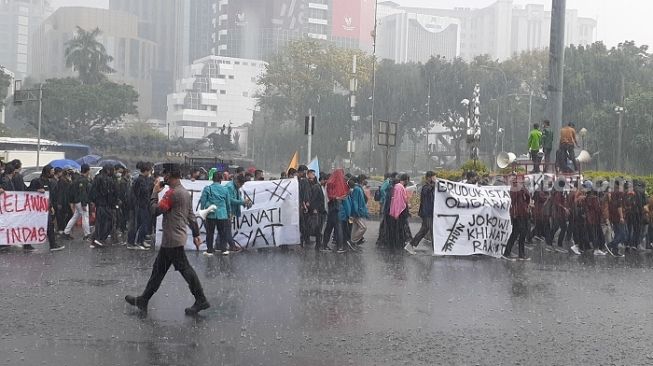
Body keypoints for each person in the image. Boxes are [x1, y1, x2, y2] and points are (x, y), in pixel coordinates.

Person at [125, 164, 210, 315]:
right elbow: (191, 216)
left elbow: (155, 211)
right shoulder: (184, 192)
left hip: (172, 240)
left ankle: (201, 299)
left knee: (185, 269)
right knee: (158, 270)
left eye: (165, 174)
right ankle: (144, 299)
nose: (163, 177)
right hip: (175, 238)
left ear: (170, 175)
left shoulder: (171, 193)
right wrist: (196, 234)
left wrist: (154, 193)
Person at [28, 165, 64, 252]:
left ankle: (53, 244)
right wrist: (36, 190)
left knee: (50, 226)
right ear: (47, 172)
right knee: (31, 225)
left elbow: (48, 196)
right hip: (35, 208)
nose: (53, 173)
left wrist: (51, 206)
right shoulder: (36, 181)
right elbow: (27, 191)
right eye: (51, 171)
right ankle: (27, 244)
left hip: (45, 208)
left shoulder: (50, 182)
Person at [199, 171, 231, 256]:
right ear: (221, 179)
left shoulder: (207, 188)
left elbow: (203, 201)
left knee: (210, 233)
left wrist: (203, 211)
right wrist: (228, 213)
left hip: (211, 214)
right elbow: (228, 203)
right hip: (222, 214)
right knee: (222, 233)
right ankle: (223, 249)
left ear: (212, 179)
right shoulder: (225, 189)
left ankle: (209, 250)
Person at [405, 171, 436, 254]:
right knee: (432, 231)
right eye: (433, 177)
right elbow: (428, 191)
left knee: (424, 230)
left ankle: (410, 245)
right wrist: (434, 184)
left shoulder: (430, 186)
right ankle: (435, 250)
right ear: (429, 177)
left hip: (428, 212)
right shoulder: (425, 187)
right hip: (427, 213)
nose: (435, 178)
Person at [128, 162, 155, 250]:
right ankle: (137, 241)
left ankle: (140, 240)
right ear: (146, 171)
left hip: (143, 205)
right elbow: (144, 191)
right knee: (142, 224)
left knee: (142, 224)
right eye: (150, 171)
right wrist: (153, 185)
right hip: (140, 205)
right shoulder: (140, 180)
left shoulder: (143, 179)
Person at [62, 164, 92, 241]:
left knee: (75, 217)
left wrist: (72, 202)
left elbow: (72, 191)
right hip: (82, 202)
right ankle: (87, 234)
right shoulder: (84, 180)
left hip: (77, 201)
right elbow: (83, 193)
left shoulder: (77, 179)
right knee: (85, 217)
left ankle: (66, 232)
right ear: (87, 170)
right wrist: (84, 204)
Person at [90, 165, 117, 248]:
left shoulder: (97, 178)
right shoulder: (107, 179)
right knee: (108, 221)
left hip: (100, 203)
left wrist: (93, 201)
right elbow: (111, 193)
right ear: (108, 171)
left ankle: (96, 239)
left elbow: (93, 191)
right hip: (105, 204)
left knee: (100, 222)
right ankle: (99, 239)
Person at [504, 178, 531, 260]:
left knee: (519, 233)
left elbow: (527, 198)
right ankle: (517, 253)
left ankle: (516, 253)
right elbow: (514, 202)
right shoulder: (516, 190)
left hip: (521, 213)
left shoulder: (520, 189)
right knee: (519, 233)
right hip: (519, 214)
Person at [322, 169, 349, 253]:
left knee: (329, 228)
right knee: (338, 227)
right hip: (335, 207)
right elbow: (336, 196)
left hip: (331, 207)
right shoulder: (335, 183)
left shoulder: (331, 183)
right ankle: (339, 247)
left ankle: (325, 245)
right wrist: (339, 197)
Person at [225, 174, 249, 252]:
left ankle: (219, 245)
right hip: (227, 210)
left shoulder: (235, 187)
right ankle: (232, 246)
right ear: (236, 181)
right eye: (240, 184)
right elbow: (230, 200)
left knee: (224, 229)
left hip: (230, 211)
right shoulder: (230, 187)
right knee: (227, 229)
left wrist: (244, 202)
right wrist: (242, 202)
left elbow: (237, 197)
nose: (241, 186)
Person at [387, 174, 411, 250]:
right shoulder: (400, 187)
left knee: (399, 227)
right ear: (406, 179)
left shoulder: (397, 186)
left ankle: (398, 242)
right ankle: (399, 243)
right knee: (399, 227)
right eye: (408, 180)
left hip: (399, 211)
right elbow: (398, 201)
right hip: (401, 211)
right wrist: (397, 212)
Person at [306, 170, 326, 250]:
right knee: (318, 228)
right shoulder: (316, 187)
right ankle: (318, 245)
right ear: (322, 180)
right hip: (317, 211)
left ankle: (318, 244)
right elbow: (313, 199)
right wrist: (314, 209)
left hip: (320, 211)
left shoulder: (319, 187)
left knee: (319, 228)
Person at [348, 176, 369, 246]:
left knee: (355, 227)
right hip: (358, 212)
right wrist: (356, 212)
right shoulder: (357, 189)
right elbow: (355, 201)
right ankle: (353, 241)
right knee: (363, 227)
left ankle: (352, 241)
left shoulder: (357, 188)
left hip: (358, 211)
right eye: (365, 179)